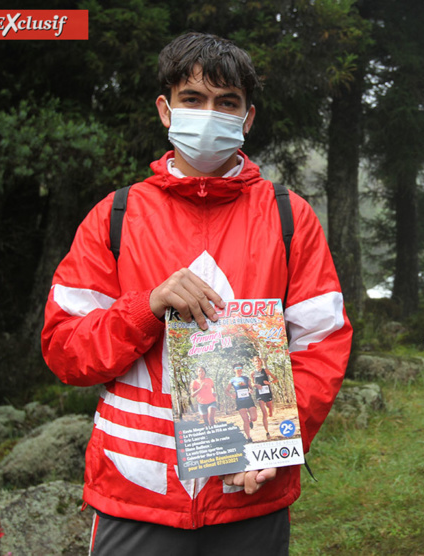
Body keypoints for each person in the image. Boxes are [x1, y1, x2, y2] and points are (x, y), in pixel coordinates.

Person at [41, 31, 352, 554]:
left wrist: (271, 444)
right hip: (136, 488)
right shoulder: (113, 217)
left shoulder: (289, 217)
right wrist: (145, 308)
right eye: (192, 99)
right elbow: (64, 349)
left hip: (249, 492)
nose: (209, 114)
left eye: (226, 103)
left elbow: (321, 345)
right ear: (165, 110)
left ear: (247, 119)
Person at [226, 363, 258, 441]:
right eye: (237, 368)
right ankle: (249, 437)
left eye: (240, 368)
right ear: (234, 370)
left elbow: (251, 388)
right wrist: (231, 395)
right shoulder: (232, 380)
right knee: (245, 420)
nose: (239, 369)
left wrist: (251, 390)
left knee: (254, 418)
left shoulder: (246, 378)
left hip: (248, 400)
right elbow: (226, 390)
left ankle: (251, 421)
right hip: (240, 401)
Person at [252, 355, 278, 440]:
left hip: (267, 392)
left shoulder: (265, 371)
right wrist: (256, 385)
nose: (257, 362)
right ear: (253, 363)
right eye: (255, 361)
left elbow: (276, 379)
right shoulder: (252, 373)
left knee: (270, 412)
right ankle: (267, 432)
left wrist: (269, 382)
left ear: (261, 362)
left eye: (258, 361)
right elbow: (252, 384)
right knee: (264, 413)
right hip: (260, 394)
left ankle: (270, 410)